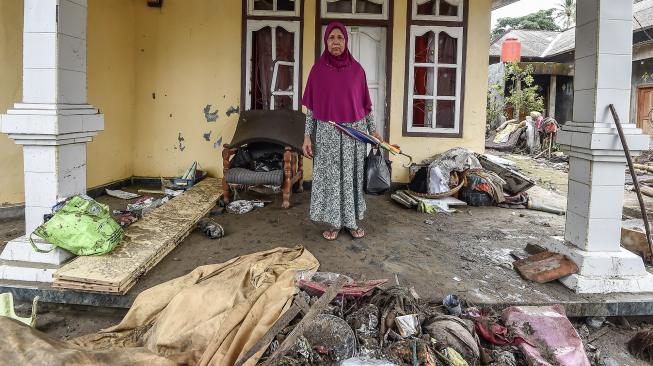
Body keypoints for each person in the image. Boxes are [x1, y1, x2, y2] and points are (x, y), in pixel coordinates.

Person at [302, 21, 383, 241]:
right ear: (325, 41)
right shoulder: (317, 71)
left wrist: (373, 131)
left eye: (340, 38)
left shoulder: (357, 71)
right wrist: (307, 136)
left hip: (353, 135)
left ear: (346, 41)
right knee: (331, 180)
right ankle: (335, 223)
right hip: (327, 135)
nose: (336, 42)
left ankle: (352, 221)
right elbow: (311, 108)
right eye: (331, 38)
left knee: (351, 178)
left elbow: (365, 106)